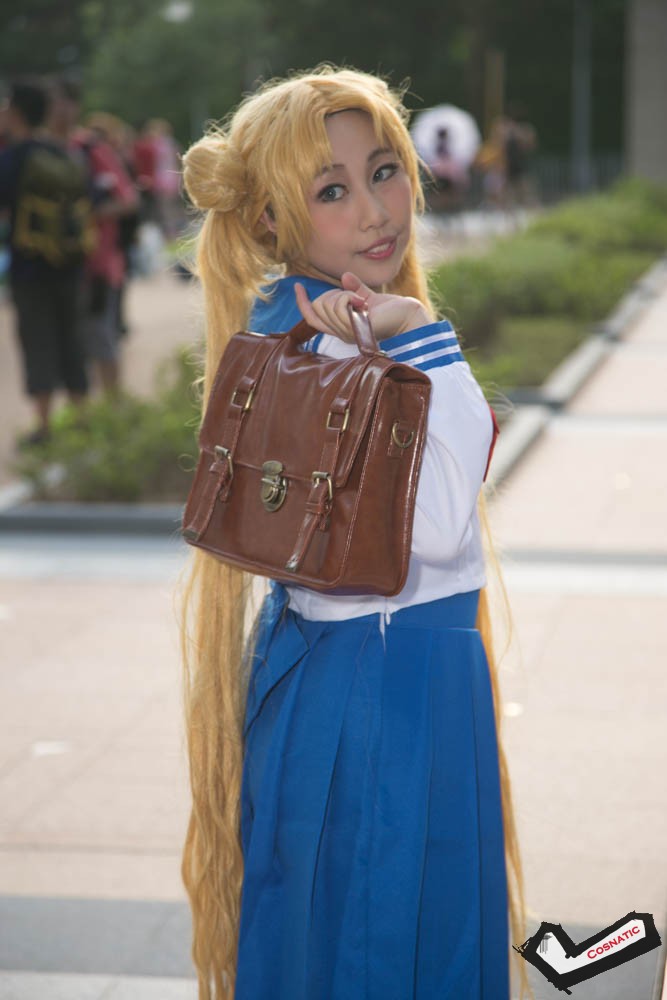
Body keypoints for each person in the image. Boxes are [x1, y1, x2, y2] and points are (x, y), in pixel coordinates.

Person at [180, 66, 529, 1000]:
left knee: (331, 937)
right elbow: (442, 521)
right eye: (330, 191)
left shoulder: (290, 326)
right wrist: (418, 337)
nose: (375, 211)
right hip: (387, 692)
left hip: (338, 676)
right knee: (388, 946)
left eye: (383, 171)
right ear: (269, 219)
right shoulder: (345, 344)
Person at [0, 78, 91, 445]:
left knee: (38, 341)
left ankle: (44, 425)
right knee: (72, 339)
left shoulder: (15, 156)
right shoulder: (65, 153)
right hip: (71, 263)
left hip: (30, 266)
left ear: (16, 112)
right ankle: (82, 419)